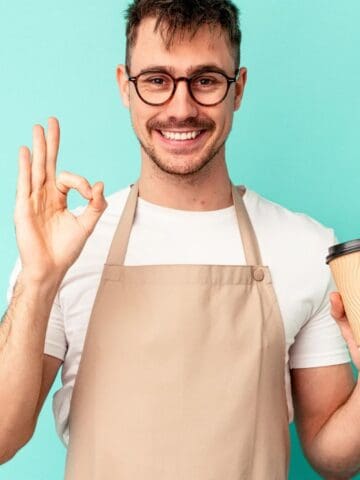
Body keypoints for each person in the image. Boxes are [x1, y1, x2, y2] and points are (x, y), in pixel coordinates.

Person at [1, 0, 359, 478]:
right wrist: (39, 281)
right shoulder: (65, 246)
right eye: (156, 81)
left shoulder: (303, 245)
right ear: (124, 88)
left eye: (206, 80)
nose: (181, 108)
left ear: (239, 89)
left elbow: (332, 457)